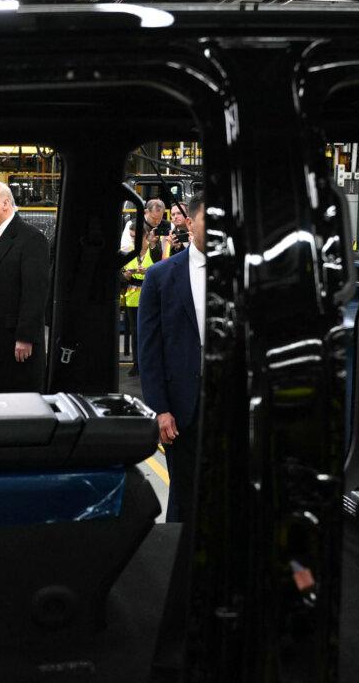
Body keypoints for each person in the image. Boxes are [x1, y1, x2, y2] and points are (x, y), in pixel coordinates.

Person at [137, 191, 206, 523]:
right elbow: (149, 351)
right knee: (183, 493)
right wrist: (160, 409)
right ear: (191, 224)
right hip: (182, 406)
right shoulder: (161, 276)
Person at [0, 181, 50, 393]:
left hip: (15, 340)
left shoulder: (31, 239)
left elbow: (35, 292)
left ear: (6, 203)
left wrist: (25, 336)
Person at [122, 223, 162, 377]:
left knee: (151, 330)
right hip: (132, 296)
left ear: (146, 235)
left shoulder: (155, 250)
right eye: (132, 237)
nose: (134, 240)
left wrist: (149, 271)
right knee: (134, 331)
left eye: (136, 236)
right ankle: (136, 363)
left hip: (150, 295)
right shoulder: (127, 251)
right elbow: (119, 274)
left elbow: (160, 267)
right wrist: (125, 275)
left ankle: (151, 363)